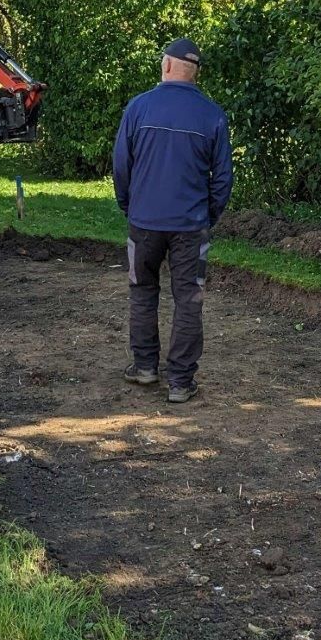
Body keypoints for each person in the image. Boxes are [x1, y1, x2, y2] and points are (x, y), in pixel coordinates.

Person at [113, 38, 233, 404]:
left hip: (145, 222)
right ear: (195, 71)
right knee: (188, 299)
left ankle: (146, 367)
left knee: (143, 291)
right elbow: (223, 178)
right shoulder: (212, 114)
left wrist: (128, 205)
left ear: (166, 65)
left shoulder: (139, 107)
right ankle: (180, 381)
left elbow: (122, 165)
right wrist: (207, 216)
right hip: (189, 225)